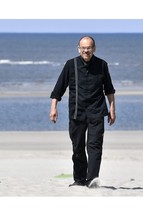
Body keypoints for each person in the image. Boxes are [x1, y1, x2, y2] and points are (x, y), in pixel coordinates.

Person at [49, 36, 116, 187]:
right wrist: (53, 108)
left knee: (94, 146)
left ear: (94, 48)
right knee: (77, 147)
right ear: (79, 48)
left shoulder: (102, 65)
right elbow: (58, 89)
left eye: (89, 47)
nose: (86, 50)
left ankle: (92, 179)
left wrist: (112, 109)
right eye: (83, 48)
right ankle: (79, 180)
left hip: (97, 111)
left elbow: (109, 89)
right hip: (77, 112)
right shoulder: (70, 65)